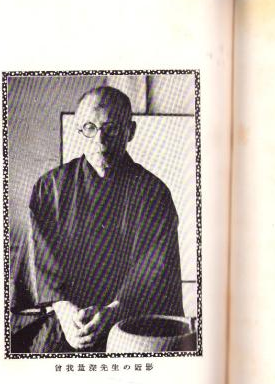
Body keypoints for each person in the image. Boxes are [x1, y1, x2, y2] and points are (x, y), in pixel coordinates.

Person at [26, 86, 184, 352]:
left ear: (130, 131)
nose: (100, 141)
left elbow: (156, 266)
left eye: (111, 129)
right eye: (90, 127)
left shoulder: (154, 193)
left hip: (130, 323)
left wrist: (115, 310)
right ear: (78, 130)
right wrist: (65, 311)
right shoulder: (49, 188)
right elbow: (40, 261)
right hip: (66, 323)